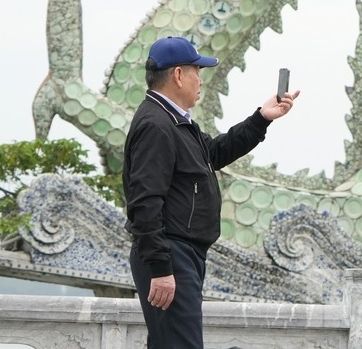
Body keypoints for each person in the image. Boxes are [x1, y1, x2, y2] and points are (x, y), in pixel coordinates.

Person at [123, 36, 300, 349]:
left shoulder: (176, 122)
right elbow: (144, 202)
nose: (200, 80)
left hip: (183, 254)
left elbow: (214, 152)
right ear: (178, 75)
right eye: (196, 71)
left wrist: (261, 118)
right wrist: (162, 268)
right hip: (171, 254)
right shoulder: (156, 124)